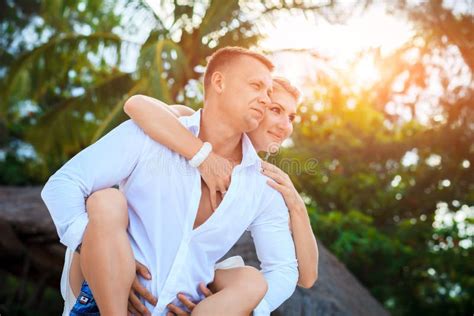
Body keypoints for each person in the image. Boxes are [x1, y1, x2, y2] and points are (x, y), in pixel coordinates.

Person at [41, 47, 299, 316]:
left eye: (269, 92)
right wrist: (97, 256)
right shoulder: (150, 135)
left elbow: (283, 270)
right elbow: (64, 184)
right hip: (104, 305)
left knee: (251, 282)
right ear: (219, 82)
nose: (264, 99)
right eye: (256, 85)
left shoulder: (262, 186)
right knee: (106, 201)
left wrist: (243, 308)